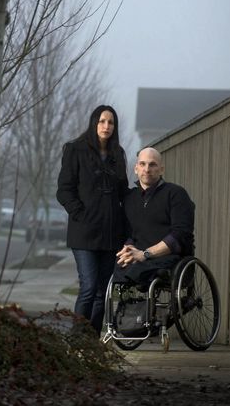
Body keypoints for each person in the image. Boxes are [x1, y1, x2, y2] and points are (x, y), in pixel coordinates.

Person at [56, 105, 129, 336]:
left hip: (111, 234)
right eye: (102, 121)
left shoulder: (118, 154)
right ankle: (77, 339)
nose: (106, 126)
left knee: (102, 292)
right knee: (88, 287)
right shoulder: (75, 149)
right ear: (94, 122)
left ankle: (92, 341)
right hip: (84, 233)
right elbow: (64, 190)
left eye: (111, 122)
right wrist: (80, 214)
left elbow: (123, 192)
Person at [115, 146, 195, 286]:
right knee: (116, 269)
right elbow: (129, 234)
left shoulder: (176, 194)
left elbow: (180, 235)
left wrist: (145, 254)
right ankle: (125, 300)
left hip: (170, 258)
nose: (147, 169)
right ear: (136, 168)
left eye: (152, 165)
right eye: (142, 164)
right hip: (139, 257)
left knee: (138, 272)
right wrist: (128, 249)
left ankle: (140, 297)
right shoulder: (130, 198)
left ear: (161, 169)